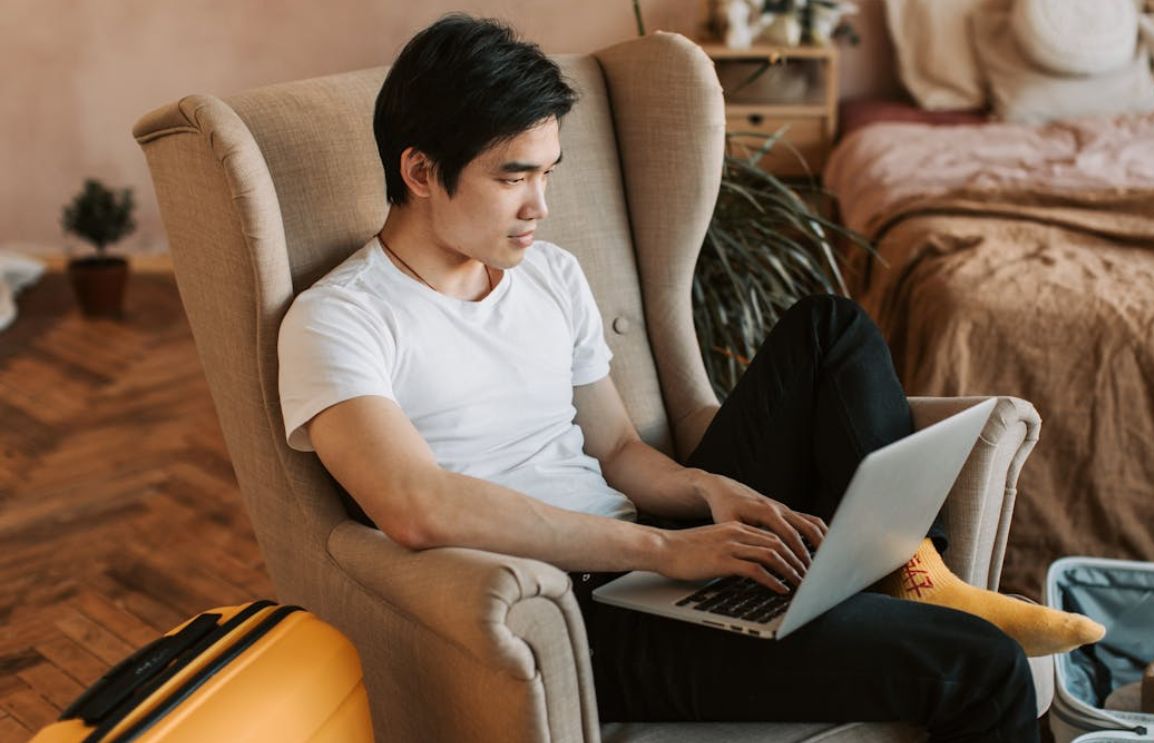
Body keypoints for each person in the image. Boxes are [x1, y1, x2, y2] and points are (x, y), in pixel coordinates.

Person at [277, 14, 1104, 741]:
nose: (541, 206)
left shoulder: (551, 274)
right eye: (513, 176)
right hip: (567, 613)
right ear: (420, 171)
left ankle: (916, 575)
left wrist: (707, 492)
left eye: (549, 172)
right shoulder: (341, 318)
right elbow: (415, 507)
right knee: (982, 666)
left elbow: (616, 448)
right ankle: (901, 600)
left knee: (828, 327)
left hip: (642, 549)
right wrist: (664, 550)